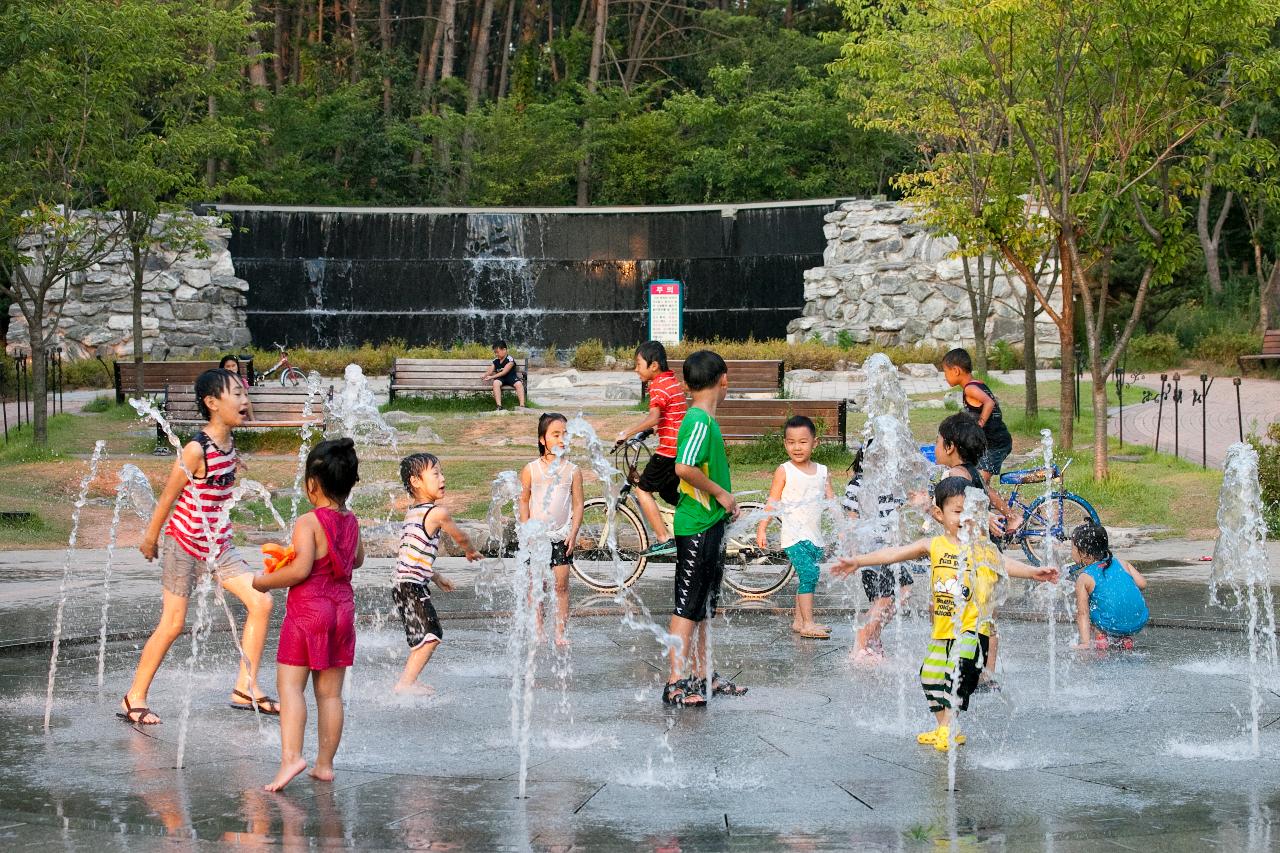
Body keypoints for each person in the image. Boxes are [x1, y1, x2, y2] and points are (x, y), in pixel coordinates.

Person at [831, 477, 1058, 751]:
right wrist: (857, 561)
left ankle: (950, 728)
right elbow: (893, 554)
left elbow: (1004, 564)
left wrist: (1034, 573)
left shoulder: (981, 548)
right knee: (930, 677)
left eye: (972, 513)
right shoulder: (934, 545)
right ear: (939, 514)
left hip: (973, 632)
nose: (965, 519)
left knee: (957, 676)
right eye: (958, 512)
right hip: (942, 633)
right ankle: (943, 727)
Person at [118, 368, 277, 726]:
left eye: (244, 393)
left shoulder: (228, 444)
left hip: (218, 546)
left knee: (261, 601)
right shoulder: (195, 449)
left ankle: (245, 686)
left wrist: (235, 465)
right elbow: (168, 498)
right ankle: (134, 697)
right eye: (235, 394)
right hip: (184, 545)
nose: (244, 401)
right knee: (173, 624)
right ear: (211, 403)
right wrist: (150, 538)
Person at [251, 438, 365, 792]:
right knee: (330, 695)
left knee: (290, 688)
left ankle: (291, 759)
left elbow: (300, 571)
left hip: (308, 612)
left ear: (311, 485)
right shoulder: (352, 520)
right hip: (342, 611)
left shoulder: (309, 522)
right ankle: (324, 765)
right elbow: (357, 560)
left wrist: (265, 581)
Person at [662, 350, 747, 706]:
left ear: (686, 384)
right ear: (724, 379)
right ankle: (675, 682)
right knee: (688, 604)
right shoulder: (698, 420)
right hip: (696, 525)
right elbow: (684, 467)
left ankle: (703, 675)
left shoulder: (705, 420)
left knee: (705, 606)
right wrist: (722, 495)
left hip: (709, 524)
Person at [932, 412, 1019, 689]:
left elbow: (957, 519)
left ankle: (963, 667)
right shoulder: (973, 473)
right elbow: (987, 496)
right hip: (985, 556)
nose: (934, 447)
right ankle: (987, 672)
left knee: (956, 608)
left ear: (950, 447)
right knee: (985, 616)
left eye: (937, 441)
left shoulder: (956, 477)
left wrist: (928, 508)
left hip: (971, 558)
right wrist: (1003, 513)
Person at [391, 453, 481, 694]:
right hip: (411, 587)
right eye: (436, 474)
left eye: (442, 473)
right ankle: (406, 683)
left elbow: (413, 557)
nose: (442, 478)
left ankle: (410, 680)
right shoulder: (437, 513)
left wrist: (436, 577)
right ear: (416, 481)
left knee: (422, 637)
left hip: (402, 585)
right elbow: (460, 535)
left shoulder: (412, 513)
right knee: (432, 634)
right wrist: (470, 551)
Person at [757, 415, 834, 639]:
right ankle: (808, 623)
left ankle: (799, 621)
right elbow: (772, 501)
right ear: (785, 444)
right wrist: (762, 527)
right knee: (809, 574)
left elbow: (831, 500)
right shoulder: (785, 470)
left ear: (814, 443)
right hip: (793, 536)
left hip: (815, 536)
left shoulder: (822, 471)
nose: (797, 447)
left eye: (802, 442)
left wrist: (842, 525)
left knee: (808, 575)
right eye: (791, 442)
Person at [843, 441, 916, 663]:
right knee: (887, 598)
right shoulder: (858, 485)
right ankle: (861, 644)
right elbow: (852, 521)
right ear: (866, 459)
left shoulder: (891, 484)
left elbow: (897, 516)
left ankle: (871, 637)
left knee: (896, 594)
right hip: (871, 552)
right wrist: (856, 557)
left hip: (890, 551)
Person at [616, 340, 688, 557]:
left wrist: (626, 433)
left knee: (642, 489)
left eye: (638, 364)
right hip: (681, 448)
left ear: (653, 366)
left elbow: (655, 415)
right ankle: (699, 517)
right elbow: (670, 413)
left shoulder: (658, 385)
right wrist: (654, 429)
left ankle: (664, 539)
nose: (636, 369)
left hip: (670, 450)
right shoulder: (670, 380)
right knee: (667, 492)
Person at [520, 413, 584, 646]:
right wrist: (526, 527)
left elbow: (578, 504)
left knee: (561, 585)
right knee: (538, 584)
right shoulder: (531, 469)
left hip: (561, 535)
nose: (561, 439)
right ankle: (538, 628)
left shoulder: (572, 470)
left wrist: (574, 533)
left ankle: (560, 632)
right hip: (537, 536)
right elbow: (524, 500)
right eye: (555, 434)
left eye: (564, 434)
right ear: (542, 440)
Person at [1070, 521, 1149, 651]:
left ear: (1083, 552)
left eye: (1072, 548)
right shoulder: (1122, 563)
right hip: (1138, 621)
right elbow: (1142, 584)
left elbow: (1082, 614)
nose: (1071, 552)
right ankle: (1125, 639)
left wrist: (1085, 643)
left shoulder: (1084, 578)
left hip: (1109, 624)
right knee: (1108, 604)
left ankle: (1101, 636)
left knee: (1089, 606)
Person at [941, 348, 1013, 484]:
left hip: (995, 444)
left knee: (979, 484)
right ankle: (986, 502)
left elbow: (989, 403)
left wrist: (980, 423)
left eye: (945, 372)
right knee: (978, 478)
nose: (944, 377)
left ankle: (991, 503)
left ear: (956, 370)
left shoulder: (970, 388)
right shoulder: (978, 384)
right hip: (995, 440)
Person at [481, 340, 526, 410]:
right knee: (495, 383)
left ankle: (522, 405)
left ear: (504, 350)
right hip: (501, 378)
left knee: (519, 384)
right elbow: (490, 370)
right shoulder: (496, 361)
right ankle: (499, 406)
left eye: (497, 352)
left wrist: (492, 377)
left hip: (511, 377)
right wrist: (485, 375)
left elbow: (504, 372)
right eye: (495, 352)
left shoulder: (510, 360)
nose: (496, 354)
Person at [219, 354, 254, 421]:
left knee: (246, 400)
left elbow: (246, 398)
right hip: (226, 409)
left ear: (237, 366)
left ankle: (252, 420)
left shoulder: (242, 381)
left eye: (233, 365)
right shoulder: (221, 381)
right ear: (223, 368)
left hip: (239, 408)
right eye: (228, 366)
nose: (231, 368)